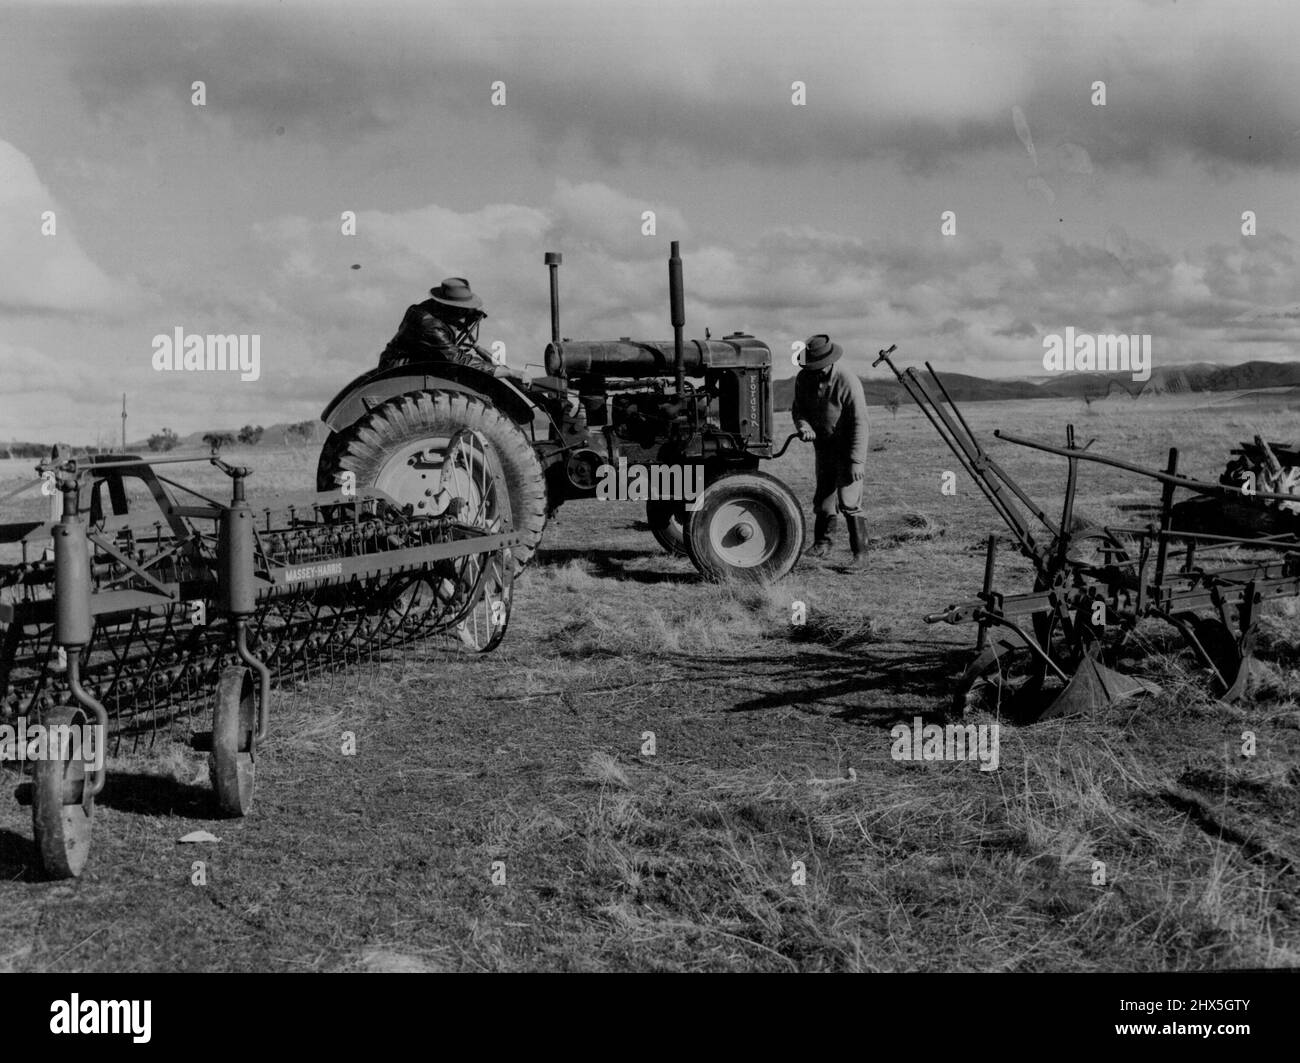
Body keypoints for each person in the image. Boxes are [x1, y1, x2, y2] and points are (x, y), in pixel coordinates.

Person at [790, 334, 870, 566]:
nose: (815, 371)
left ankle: (861, 555)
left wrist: (857, 461)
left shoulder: (847, 381)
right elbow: (798, 410)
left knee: (849, 501)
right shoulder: (803, 378)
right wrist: (803, 426)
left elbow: (860, 423)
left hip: (846, 449)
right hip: (824, 448)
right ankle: (823, 543)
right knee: (823, 499)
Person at [378, 277, 496, 370]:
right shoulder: (431, 326)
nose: (464, 314)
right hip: (404, 369)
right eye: (462, 309)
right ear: (451, 308)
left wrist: (469, 311)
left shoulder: (432, 307)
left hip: (401, 362)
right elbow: (457, 358)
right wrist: (503, 371)